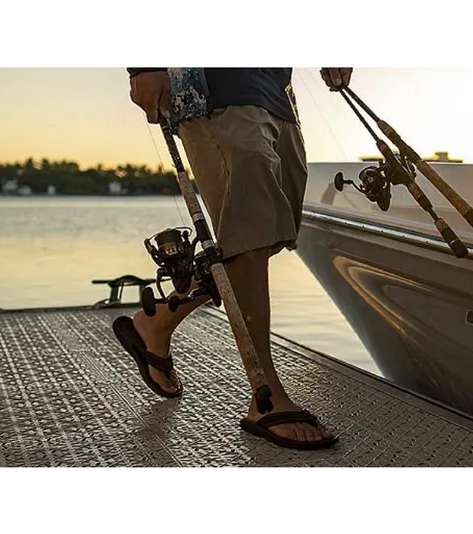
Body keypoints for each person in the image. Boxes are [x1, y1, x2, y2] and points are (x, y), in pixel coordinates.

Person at [113, 67, 353, 450]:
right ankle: (265, 396)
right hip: (214, 86)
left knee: (268, 233)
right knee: (250, 236)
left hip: (275, 90)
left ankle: (157, 324)